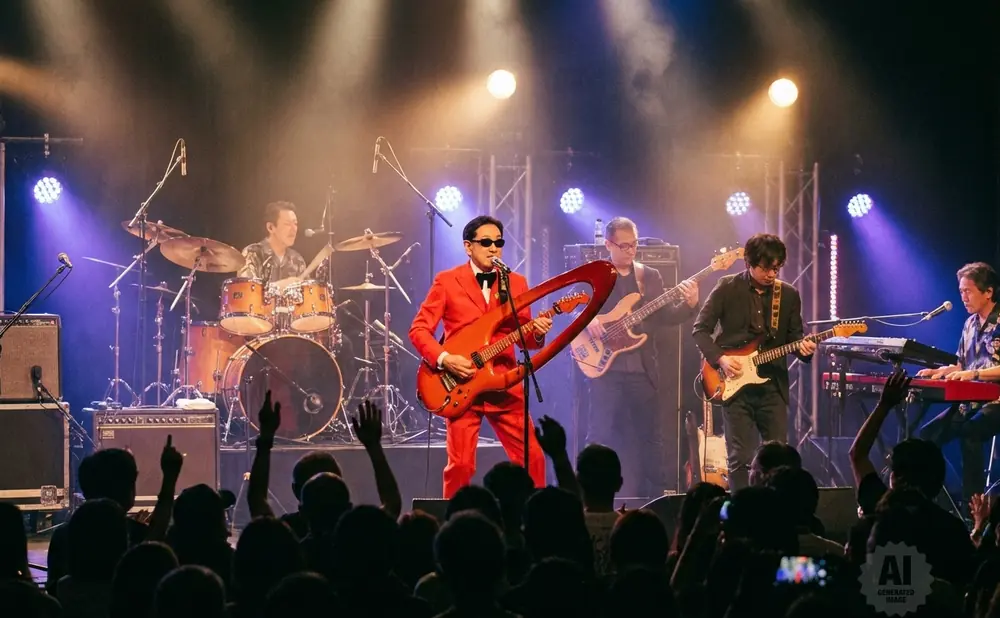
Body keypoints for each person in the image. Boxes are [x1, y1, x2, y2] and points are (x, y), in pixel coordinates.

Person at [409, 215, 552, 497]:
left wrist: (537, 332)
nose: (494, 248)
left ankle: (536, 522)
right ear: (468, 246)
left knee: (533, 458)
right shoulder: (448, 281)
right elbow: (419, 329)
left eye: (498, 242)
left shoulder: (516, 282)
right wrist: (444, 358)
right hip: (462, 386)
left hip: (504, 385)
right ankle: (454, 525)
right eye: (485, 242)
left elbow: (526, 341)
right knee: (460, 465)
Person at [583, 216, 699, 496]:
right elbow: (575, 310)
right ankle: (589, 496)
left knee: (651, 437)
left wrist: (691, 305)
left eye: (633, 244)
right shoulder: (595, 274)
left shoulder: (649, 276)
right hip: (605, 369)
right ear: (608, 245)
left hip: (642, 371)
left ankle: (655, 500)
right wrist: (589, 320)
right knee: (599, 435)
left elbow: (665, 317)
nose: (630, 250)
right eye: (623, 246)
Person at [692, 233, 815, 490]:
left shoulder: (789, 295)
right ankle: (741, 514)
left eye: (776, 268)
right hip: (735, 386)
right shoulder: (727, 287)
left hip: (773, 388)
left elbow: (796, 339)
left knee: (779, 459)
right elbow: (700, 330)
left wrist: (805, 349)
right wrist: (721, 359)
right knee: (740, 458)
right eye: (765, 268)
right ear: (749, 263)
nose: (771, 274)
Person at [917, 262, 1000, 502]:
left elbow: (973, 372)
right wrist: (940, 371)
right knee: (927, 436)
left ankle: (972, 507)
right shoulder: (970, 324)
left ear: (988, 292)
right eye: (961, 291)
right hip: (971, 401)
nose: (963, 297)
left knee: (969, 432)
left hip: (996, 401)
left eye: (968, 291)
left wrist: (972, 375)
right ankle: (944, 498)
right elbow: (963, 365)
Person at [239, 201, 326, 288]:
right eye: (287, 224)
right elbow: (247, 290)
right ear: (271, 227)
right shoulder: (253, 253)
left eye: (295, 224)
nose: (293, 229)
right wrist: (280, 286)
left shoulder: (297, 260)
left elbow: (306, 295)